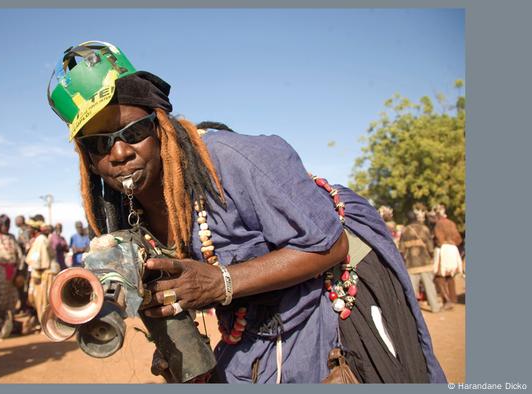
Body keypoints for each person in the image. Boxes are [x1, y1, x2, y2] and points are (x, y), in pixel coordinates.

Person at [46, 41, 445, 383]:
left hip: (331, 295)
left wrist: (219, 283)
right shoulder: (125, 211)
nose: (119, 152)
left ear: (161, 124)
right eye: (99, 144)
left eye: (133, 132)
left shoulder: (236, 160)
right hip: (253, 323)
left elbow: (332, 245)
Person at [399, 204, 440, 313]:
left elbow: (401, 250)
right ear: (416, 218)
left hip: (411, 264)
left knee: (412, 290)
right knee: (430, 287)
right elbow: (430, 247)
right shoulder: (424, 228)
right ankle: (435, 307)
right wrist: (431, 256)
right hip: (425, 262)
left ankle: (413, 311)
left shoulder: (404, 231)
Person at [24, 216, 57, 326]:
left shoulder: (41, 240)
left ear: (34, 229)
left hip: (45, 275)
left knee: (44, 302)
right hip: (44, 274)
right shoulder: (39, 240)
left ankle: (48, 326)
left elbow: (40, 262)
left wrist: (35, 275)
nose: (27, 230)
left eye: (28, 228)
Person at [432, 204, 463, 310]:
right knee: (450, 275)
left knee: (439, 276)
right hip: (453, 250)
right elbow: (459, 239)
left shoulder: (439, 224)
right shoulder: (451, 223)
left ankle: (447, 300)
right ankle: (453, 298)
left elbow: (438, 239)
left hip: (443, 250)